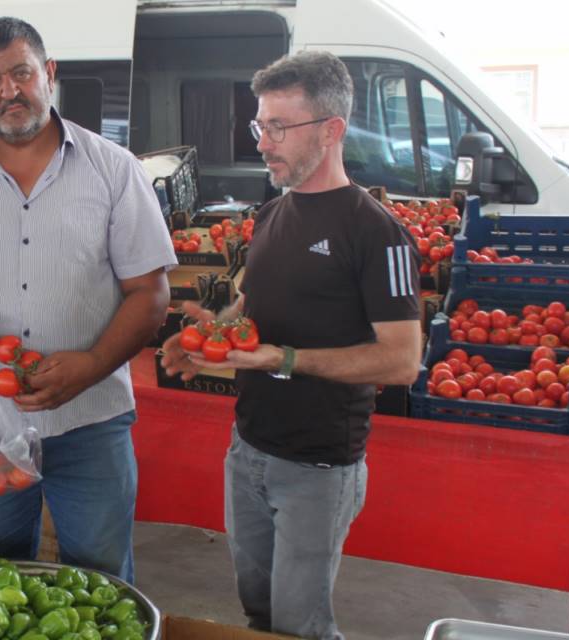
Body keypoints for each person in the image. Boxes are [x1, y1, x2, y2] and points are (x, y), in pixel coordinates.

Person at [0, 17, 176, 583]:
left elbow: (151, 293)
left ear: (48, 74)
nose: (9, 91)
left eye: (21, 73)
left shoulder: (115, 171)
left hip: (90, 419)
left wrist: (93, 366)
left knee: (100, 580)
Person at [161, 51, 422, 640]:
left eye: (279, 127)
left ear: (331, 130)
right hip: (247, 449)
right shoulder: (273, 214)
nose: (262, 142)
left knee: (300, 626)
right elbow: (248, 309)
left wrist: (283, 359)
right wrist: (210, 331)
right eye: (261, 125)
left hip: (318, 467)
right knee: (258, 615)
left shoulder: (379, 234)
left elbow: (403, 361)